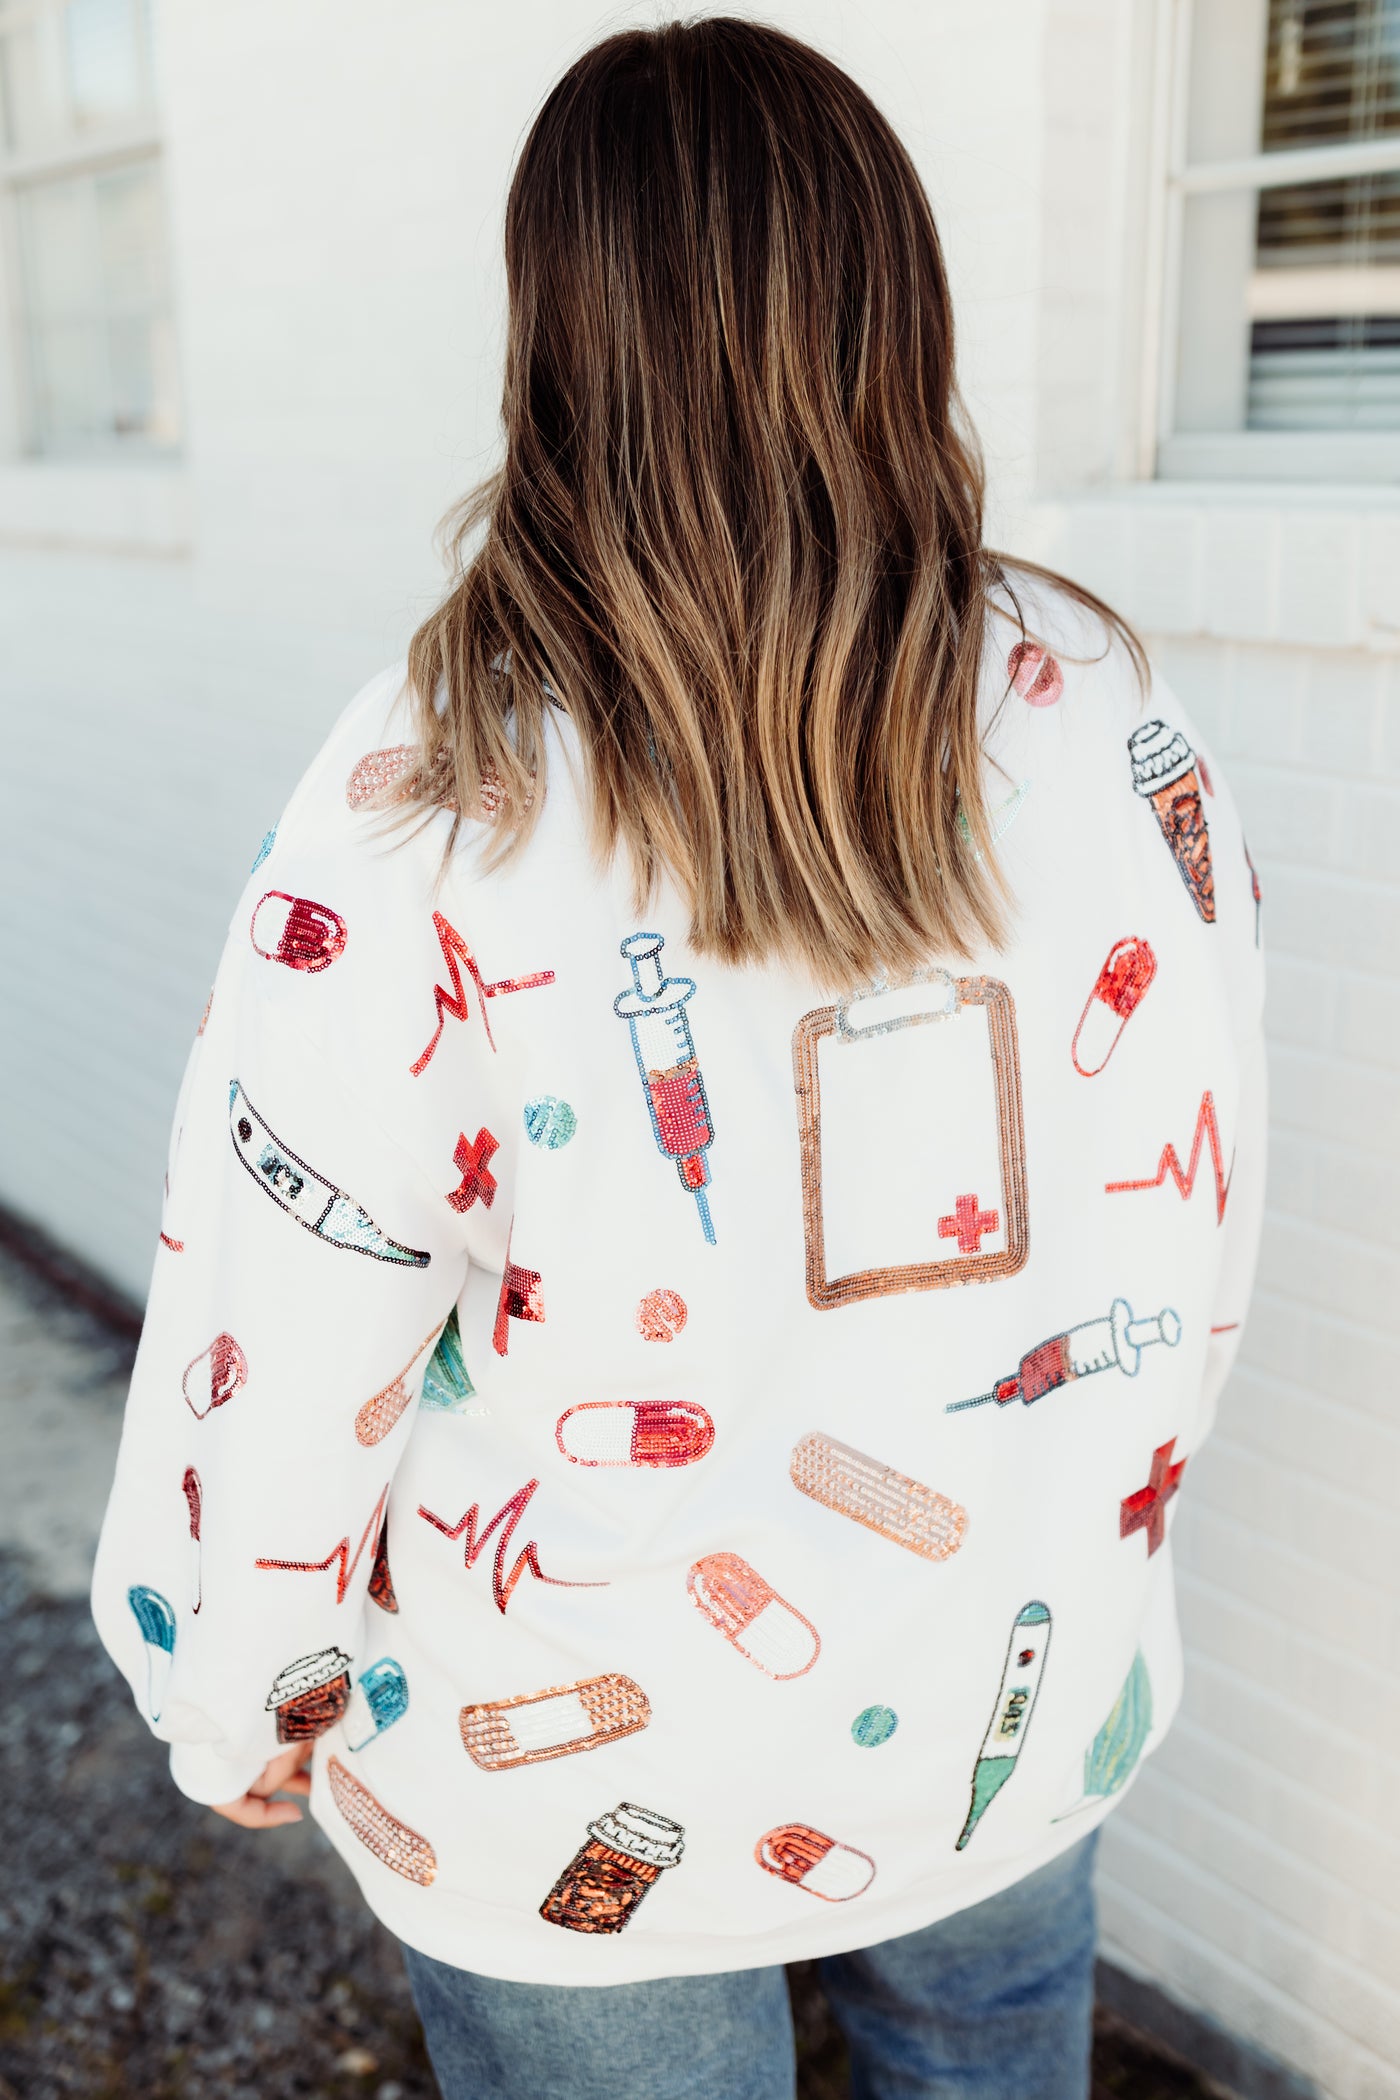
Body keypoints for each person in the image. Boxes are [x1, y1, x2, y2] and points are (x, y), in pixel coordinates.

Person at [92, 18, 1266, 2099]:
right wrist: (1087, 1545)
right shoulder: (1097, 715)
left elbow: (289, 1294)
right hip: (1010, 1698)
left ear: (556, 335)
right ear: (889, 306)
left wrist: (242, 1686)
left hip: (558, 1803)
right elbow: (1197, 1195)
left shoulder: (433, 786)